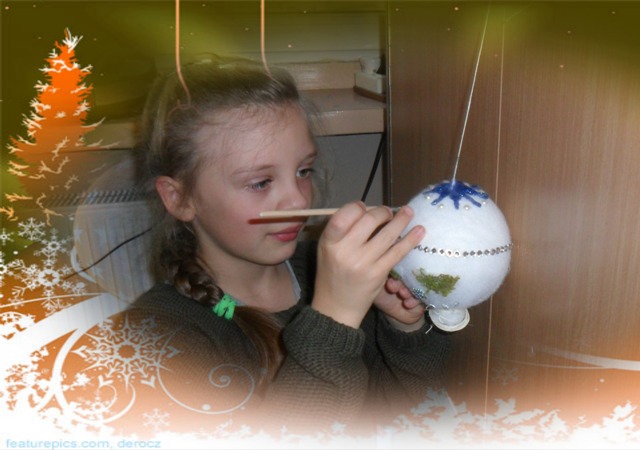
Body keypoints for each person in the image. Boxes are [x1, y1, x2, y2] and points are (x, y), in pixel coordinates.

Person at [113, 55, 451, 437]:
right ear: (179, 198)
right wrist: (335, 318)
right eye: (260, 182)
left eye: (303, 171)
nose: (298, 200)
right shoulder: (154, 338)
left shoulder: (331, 275)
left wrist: (403, 331)